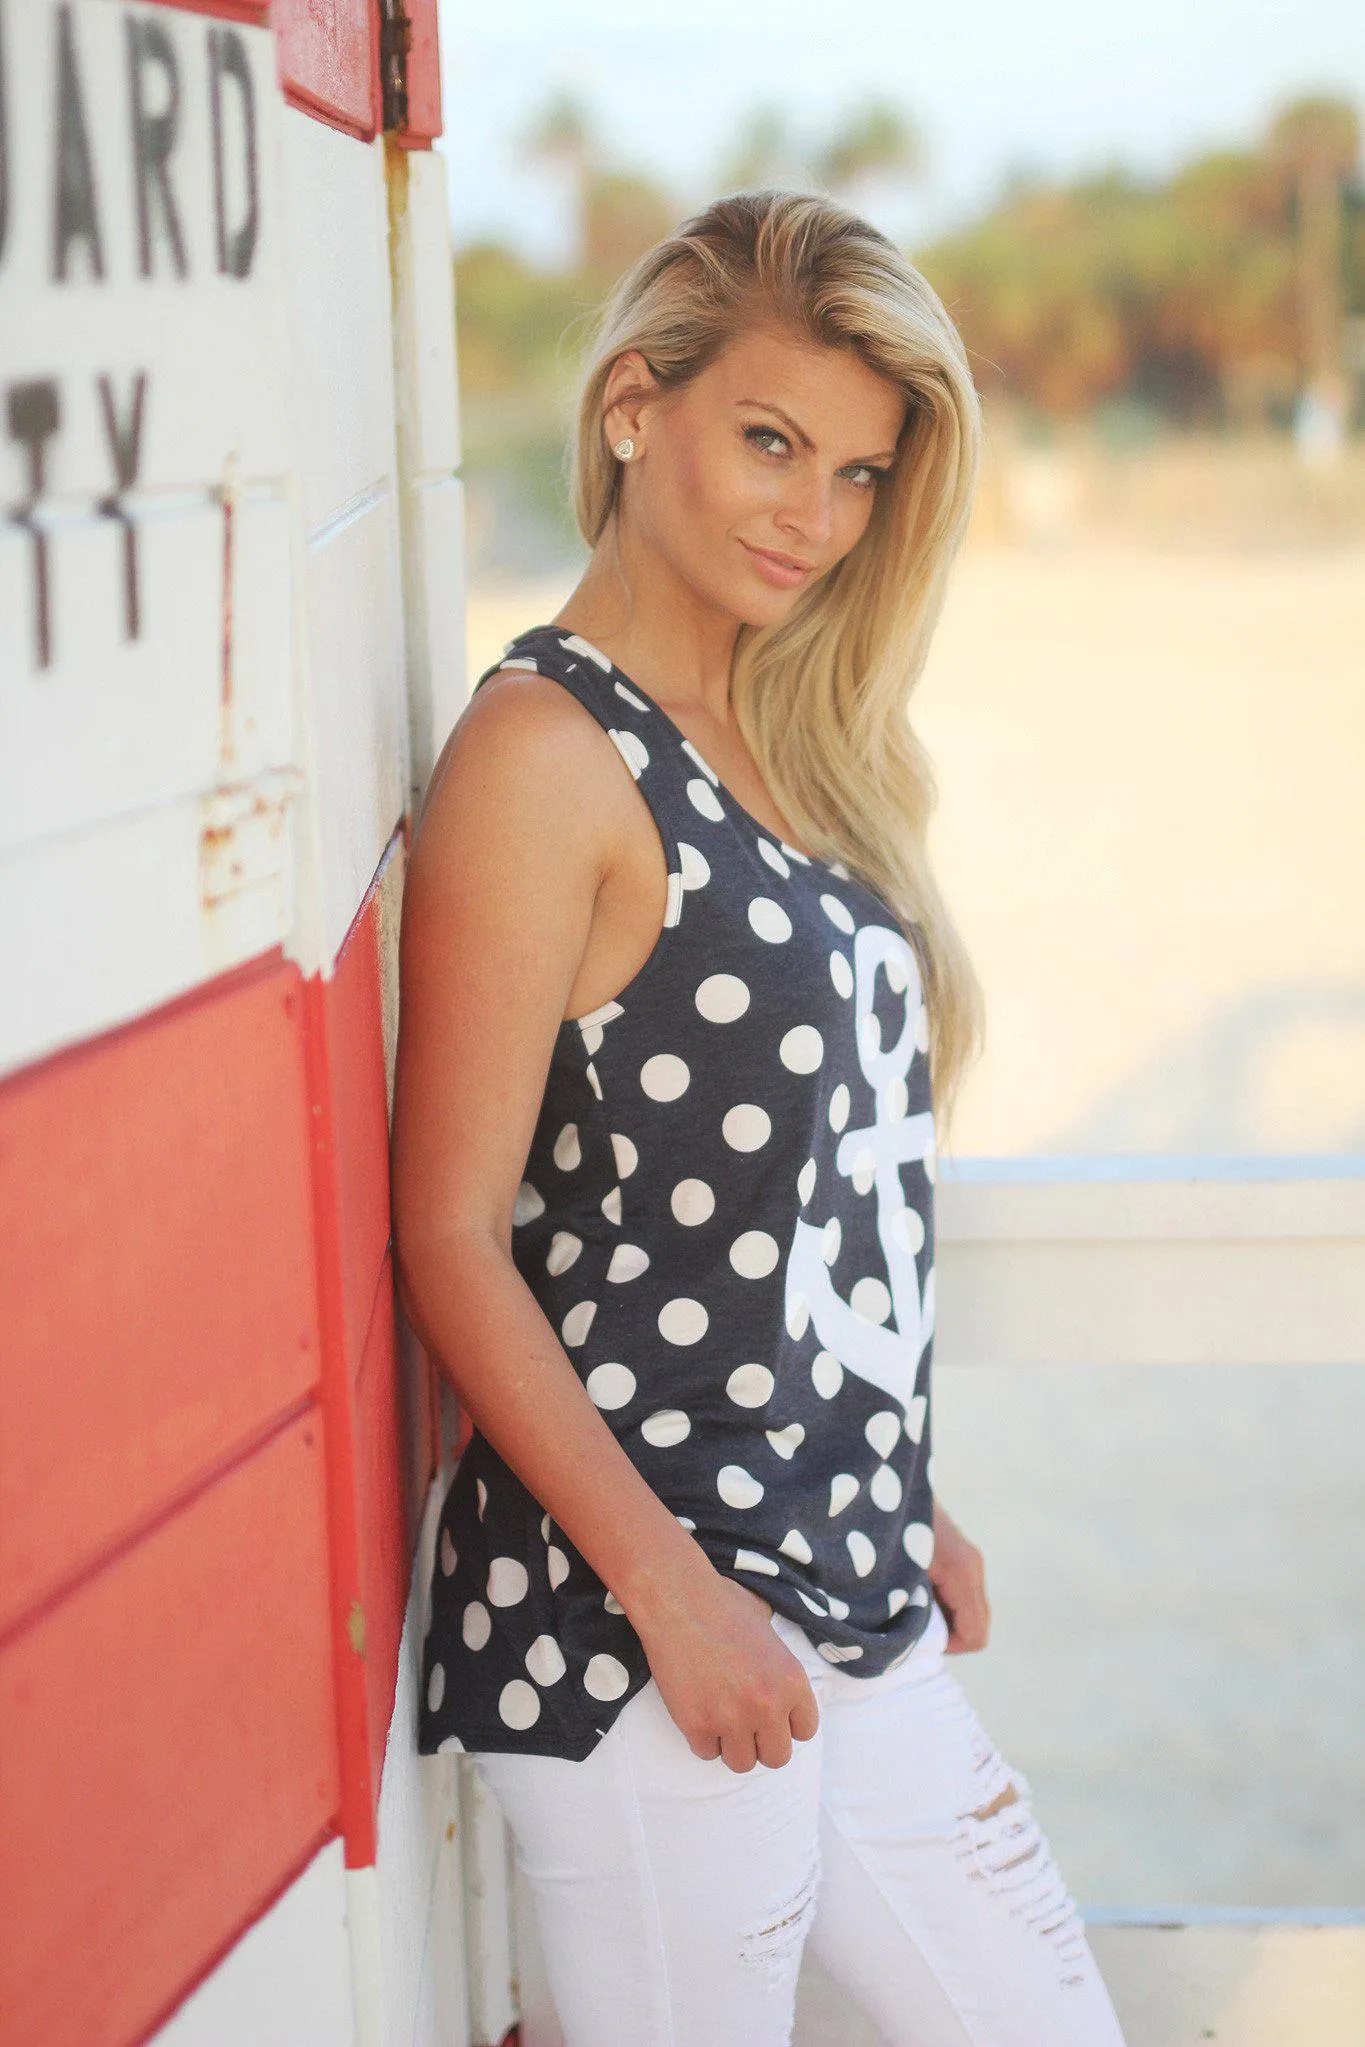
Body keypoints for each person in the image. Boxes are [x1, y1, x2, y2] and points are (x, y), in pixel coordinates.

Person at [390, 189, 1128, 2047]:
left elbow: (778, 1209)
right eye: (772, 442)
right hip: (647, 1612)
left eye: (864, 475)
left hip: (839, 1568)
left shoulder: (790, 737)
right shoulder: (545, 755)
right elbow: (451, 1232)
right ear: (638, 403)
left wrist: (896, 1478)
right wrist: (670, 1590)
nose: (817, 515)